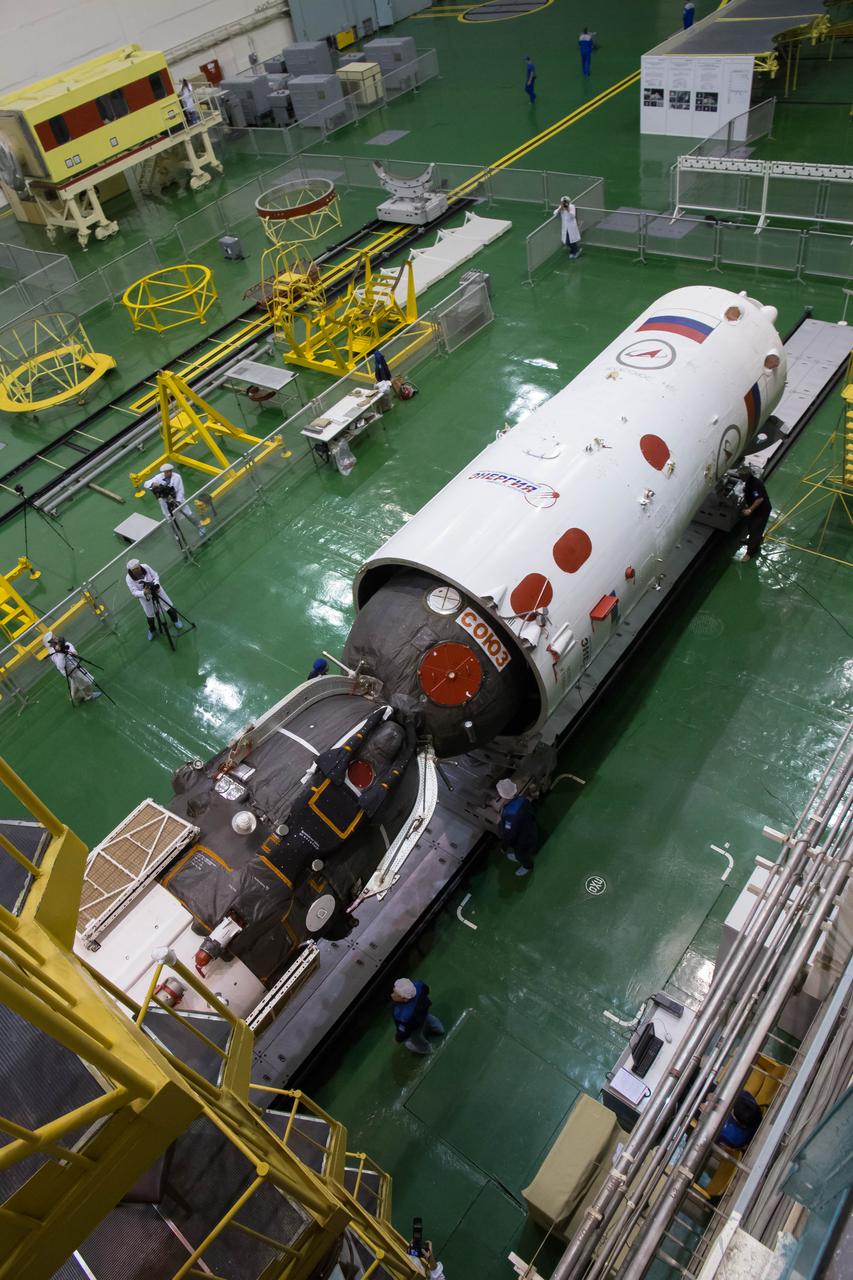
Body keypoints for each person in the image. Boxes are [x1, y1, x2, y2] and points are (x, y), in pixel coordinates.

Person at [126, 559, 184, 641]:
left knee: (167, 606)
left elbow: (155, 576)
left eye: (138, 568)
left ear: (140, 566)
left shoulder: (145, 566)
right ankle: (152, 629)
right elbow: (134, 592)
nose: (137, 571)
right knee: (150, 615)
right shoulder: (128, 578)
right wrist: (144, 592)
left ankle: (175, 620)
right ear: (131, 570)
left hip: (158, 591)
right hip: (146, 597)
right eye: (134, 570)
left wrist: (157, 585)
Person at [144, 464, 206, 540]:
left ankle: (200, 527)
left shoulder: (177, 477)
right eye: (167, 472)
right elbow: (146, 484)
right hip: (165, 503)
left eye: (170, 471)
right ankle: (177, 535)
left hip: (177, 500)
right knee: (170, 520)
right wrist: (153, 484)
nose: (169, 473)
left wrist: (178, 501)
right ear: (163, 472)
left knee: (188, 514)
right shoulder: (158, 477)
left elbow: (181, 490)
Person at [497, 778, 540, 877]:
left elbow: (509, 835)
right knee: (526, 848)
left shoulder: (510, 814)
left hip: (522, 840)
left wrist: (504, 846)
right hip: (530, 830)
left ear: (502, 795)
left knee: (522, 855)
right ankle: (521, 855)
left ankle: (527, 866)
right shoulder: (522, 799)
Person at [390, 978, 445, 1055]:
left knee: (415, 1039)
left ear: (404, 999)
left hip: (414, 1025)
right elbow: (427, 990)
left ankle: (427, 1049)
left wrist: (398, 1039)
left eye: (396, 993)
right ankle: (439, 1029)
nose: (392, 994)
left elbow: (404, 1031)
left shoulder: (403, 1015)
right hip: (423, 1012)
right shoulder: (419, 985)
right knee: (428, 1018)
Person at [43, 632, 101, 704]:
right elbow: (60, 666)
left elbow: (74, 652)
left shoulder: (63, 643)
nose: (56, 638)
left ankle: (82, 696)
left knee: (80, 683)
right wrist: (61, 653)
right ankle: (89, 695)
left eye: (54, 637)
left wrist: (69, 651)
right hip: (70, 672)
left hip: (75, 667)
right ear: (50, 643)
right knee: (82, 684)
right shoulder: (53, 653)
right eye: (53, 639)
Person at [739, 467, 772, 560]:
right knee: (750, 525)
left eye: (741, 475)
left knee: (755, 530)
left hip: (761, 511)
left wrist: (750, 510)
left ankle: (750, 553)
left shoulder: (755, 484)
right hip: (755, 511)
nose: (739, 476)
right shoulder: (749, 482)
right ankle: (753, 540)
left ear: (746, 475)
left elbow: (759, 499)